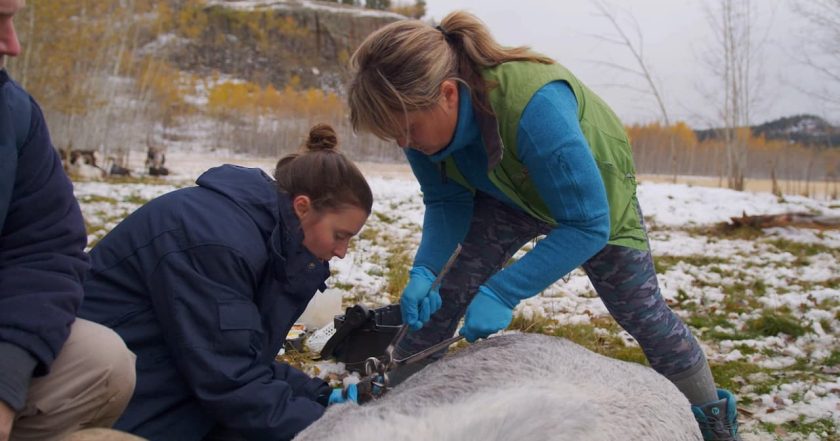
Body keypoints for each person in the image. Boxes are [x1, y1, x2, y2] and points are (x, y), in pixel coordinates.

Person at [347, 11, 741, 441]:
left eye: (406, 131)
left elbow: (587, 225)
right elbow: (446, 200)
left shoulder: (535, 107)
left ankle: (713, 419)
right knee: (448, 289)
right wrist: (425, 270)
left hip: (593, 202)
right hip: (505, 193)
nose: (405, 144)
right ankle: (390, 402)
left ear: (447, 94)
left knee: (642, 313)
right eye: (393, 137)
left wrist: (503, 291)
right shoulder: (418, 121)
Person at [78, 124, 372, 441]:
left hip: (164, 373)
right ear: (302, 207)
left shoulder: (269, 240)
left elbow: (239, 354)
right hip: (102, 396)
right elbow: (227, 378)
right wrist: (335, 430)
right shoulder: (216, 242)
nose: (342, 252)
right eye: (339, 236)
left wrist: (319, 396)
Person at [0, 1, 137, 440]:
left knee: (103, 361)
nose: (14, 45)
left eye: (13, 20)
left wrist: (5, 380)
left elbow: (42, 253)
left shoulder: (13, 112)